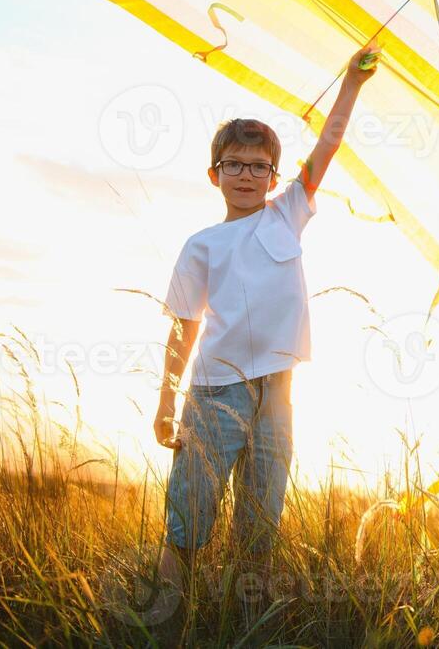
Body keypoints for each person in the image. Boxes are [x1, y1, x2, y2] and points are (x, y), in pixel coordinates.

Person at [152, 46, 378, 620]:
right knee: (190, 512)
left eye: (259, 167)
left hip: (278, 391)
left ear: (274, 176)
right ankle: (166, 612)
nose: (247, 175)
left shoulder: (287, 213)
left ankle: (242, 621)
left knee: (260, 517)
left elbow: (328, 143)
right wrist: (166, 403)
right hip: (215, 390)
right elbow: (184, 326)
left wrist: (350, 82)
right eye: (235, 164)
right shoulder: (202, 244)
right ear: (215, 174)